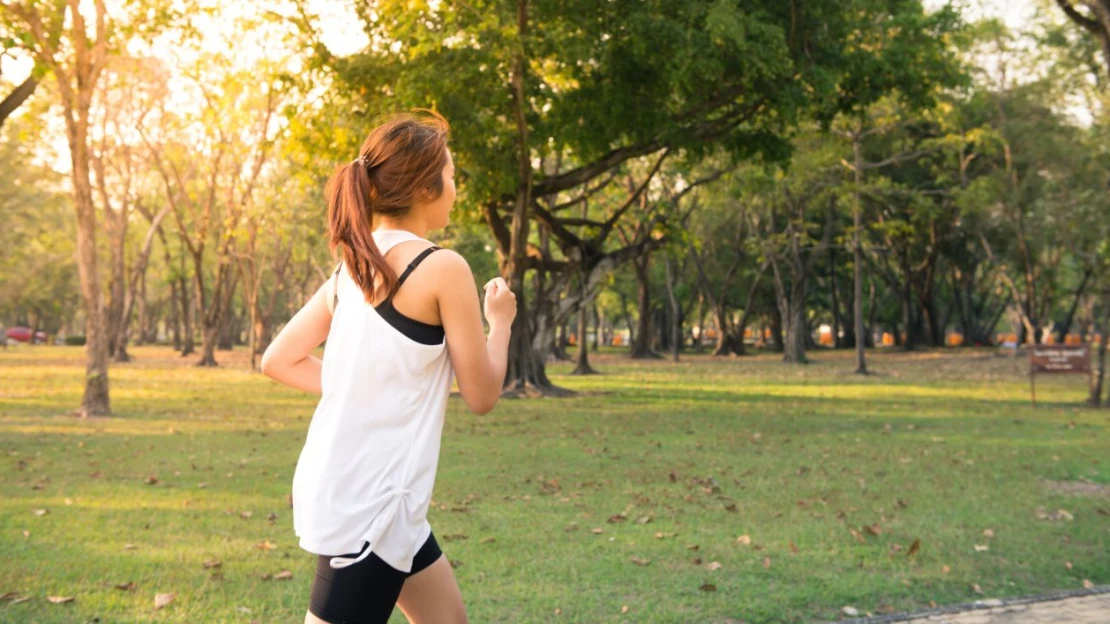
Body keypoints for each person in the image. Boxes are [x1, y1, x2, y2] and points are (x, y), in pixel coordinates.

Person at [261, 110, 516, 624]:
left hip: (382, 500)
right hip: (370, 507)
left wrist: (363, 389)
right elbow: (483, 394)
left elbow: (278, 359)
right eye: (450, 175)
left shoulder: (352, 266)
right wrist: (501, 321)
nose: (455, 188)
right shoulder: (442, 267)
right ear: (425, 187)